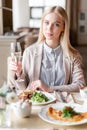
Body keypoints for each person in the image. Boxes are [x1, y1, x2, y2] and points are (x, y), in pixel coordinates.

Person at [8, 6, 85, 94]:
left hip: (62, 105)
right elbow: (22, 89)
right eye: (46, 23)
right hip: (36, 105)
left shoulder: (73, 55)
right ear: (42, 24)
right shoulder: (29, 52)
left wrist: (49, 88)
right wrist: (19, 73)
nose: (49, 28)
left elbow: (80, 85)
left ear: (63, 27)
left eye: (56, 24)